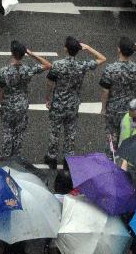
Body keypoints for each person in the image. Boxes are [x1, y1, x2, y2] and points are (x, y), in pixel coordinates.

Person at [44, 37, 106, 166]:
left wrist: (48, 98)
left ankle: (52, 157)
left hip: (58, 103)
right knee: (70, 131)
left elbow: (50, 83)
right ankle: (68, 158)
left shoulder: (57, 65)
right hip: (73, 103)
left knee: (55, 131)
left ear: (65, 49)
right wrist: (88, 48)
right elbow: (102, 59)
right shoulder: (82, 65)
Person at [99, 37, 136, 149]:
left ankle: (111, 160)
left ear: (119, 50)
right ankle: (124, 162)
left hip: (113, 110)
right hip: (130, 110)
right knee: (127, 138)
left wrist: (103, 108)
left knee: (112, 139)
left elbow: (105, 91)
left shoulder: (110, 69)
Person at [0, 40, 52, 160]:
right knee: (19, 132)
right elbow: (48, 65)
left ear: (12, 53)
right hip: (22, 104)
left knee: (7, 130)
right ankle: (16, 156)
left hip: (8, 105)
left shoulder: (4, 72)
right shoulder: (27, 69)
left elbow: (0, 90)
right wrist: (32, 54)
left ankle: (5, 154)